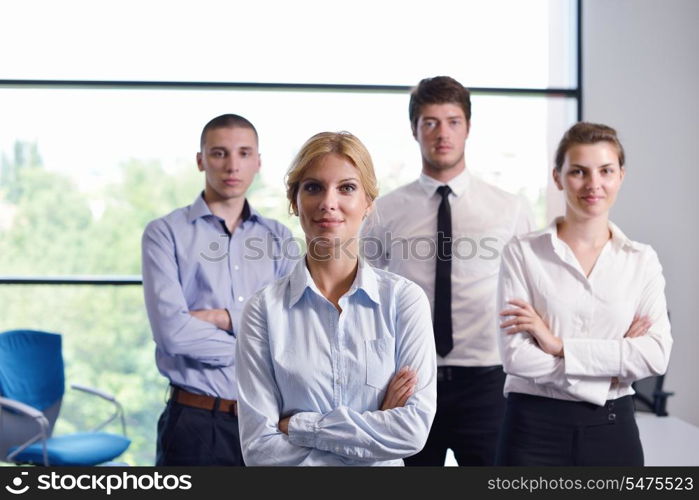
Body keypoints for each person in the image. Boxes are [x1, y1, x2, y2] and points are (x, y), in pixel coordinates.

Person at [235, 131, 437, 466]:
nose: (329, 202)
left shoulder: (403, 301)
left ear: (368, 203)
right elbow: (259, 449)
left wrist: (300, 426)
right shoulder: (264, 310)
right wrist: (372, 431)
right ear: (294, 201)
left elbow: (411, 431)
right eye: (313, 187)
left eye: (346, 188)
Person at [361, 76, 534, 465]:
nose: (442, 134)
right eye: (430, 122)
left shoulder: (510, 209)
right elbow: (364, 292)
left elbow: (533, 291)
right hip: (409, 379)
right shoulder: (384, 210)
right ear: (414, 130)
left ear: (468, 128)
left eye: (453, 121)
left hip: (487, 381)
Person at [495, 122, 673, 466]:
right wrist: (613, 368)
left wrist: (559, 346)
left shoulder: (641, 260)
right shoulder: (522, 253)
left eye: (605, 171)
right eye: (578, 171)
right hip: (533, 430)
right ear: (558, 177)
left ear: (620, 175)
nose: (594, 184)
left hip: (612, 428)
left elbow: (655, 355)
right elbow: (517, 357)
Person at [142, 113, 298, 466]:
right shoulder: (164, 233)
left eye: (244, 153)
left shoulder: (280, 238)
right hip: (195, 423)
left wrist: (222, 318)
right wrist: (259, 346)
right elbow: (173, 334)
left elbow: (294, 330)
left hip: (268, 424)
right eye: (219, 153)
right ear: (201, 160)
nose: (232, 165)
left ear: (258, 162)